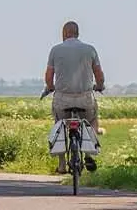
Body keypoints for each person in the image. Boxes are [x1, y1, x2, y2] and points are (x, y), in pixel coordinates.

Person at [44, 21, 104, 173]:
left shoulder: (55, 50)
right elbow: (99, 75)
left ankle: (62, 163)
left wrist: (51, 87)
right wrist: (100, 85)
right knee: (92, 119)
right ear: (77, 33)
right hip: (85, 98)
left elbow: (49, 76)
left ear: (64, 34)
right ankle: (89, 154)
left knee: (60, 124)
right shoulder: (90, 50)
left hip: (62, 99)